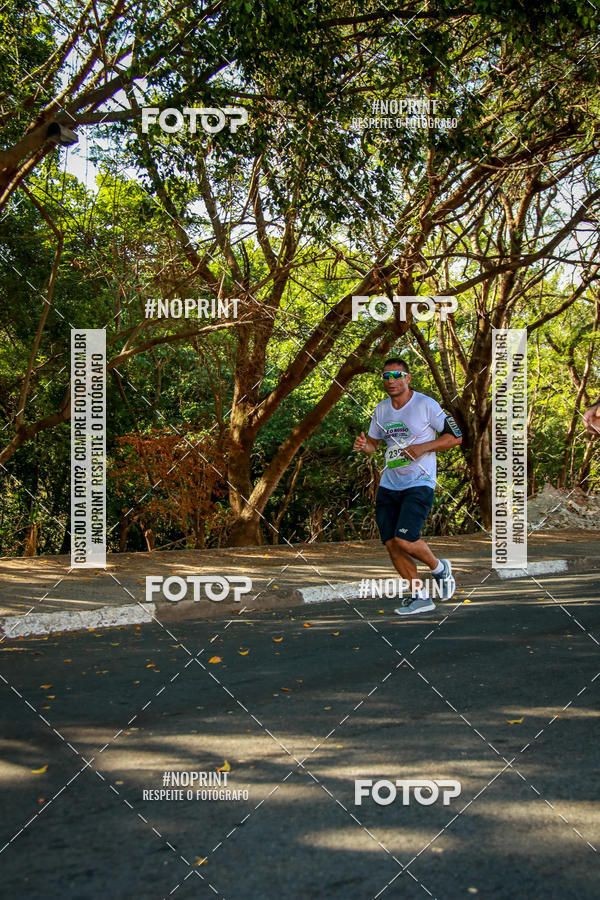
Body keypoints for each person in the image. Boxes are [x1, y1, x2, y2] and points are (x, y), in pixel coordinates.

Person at [353, 357, 463, 615]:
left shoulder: (426, 405)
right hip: (390, 485)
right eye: (386, 377)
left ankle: (439, 568)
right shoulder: (381, 410)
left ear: (408, 378)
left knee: (405, 538)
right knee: (392, 543)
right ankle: (420, 596)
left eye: (396, 376)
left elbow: (455, 437)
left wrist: (423, 447)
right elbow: (373, 446)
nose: (391, 381)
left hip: (419, 482)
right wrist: (363, 447)